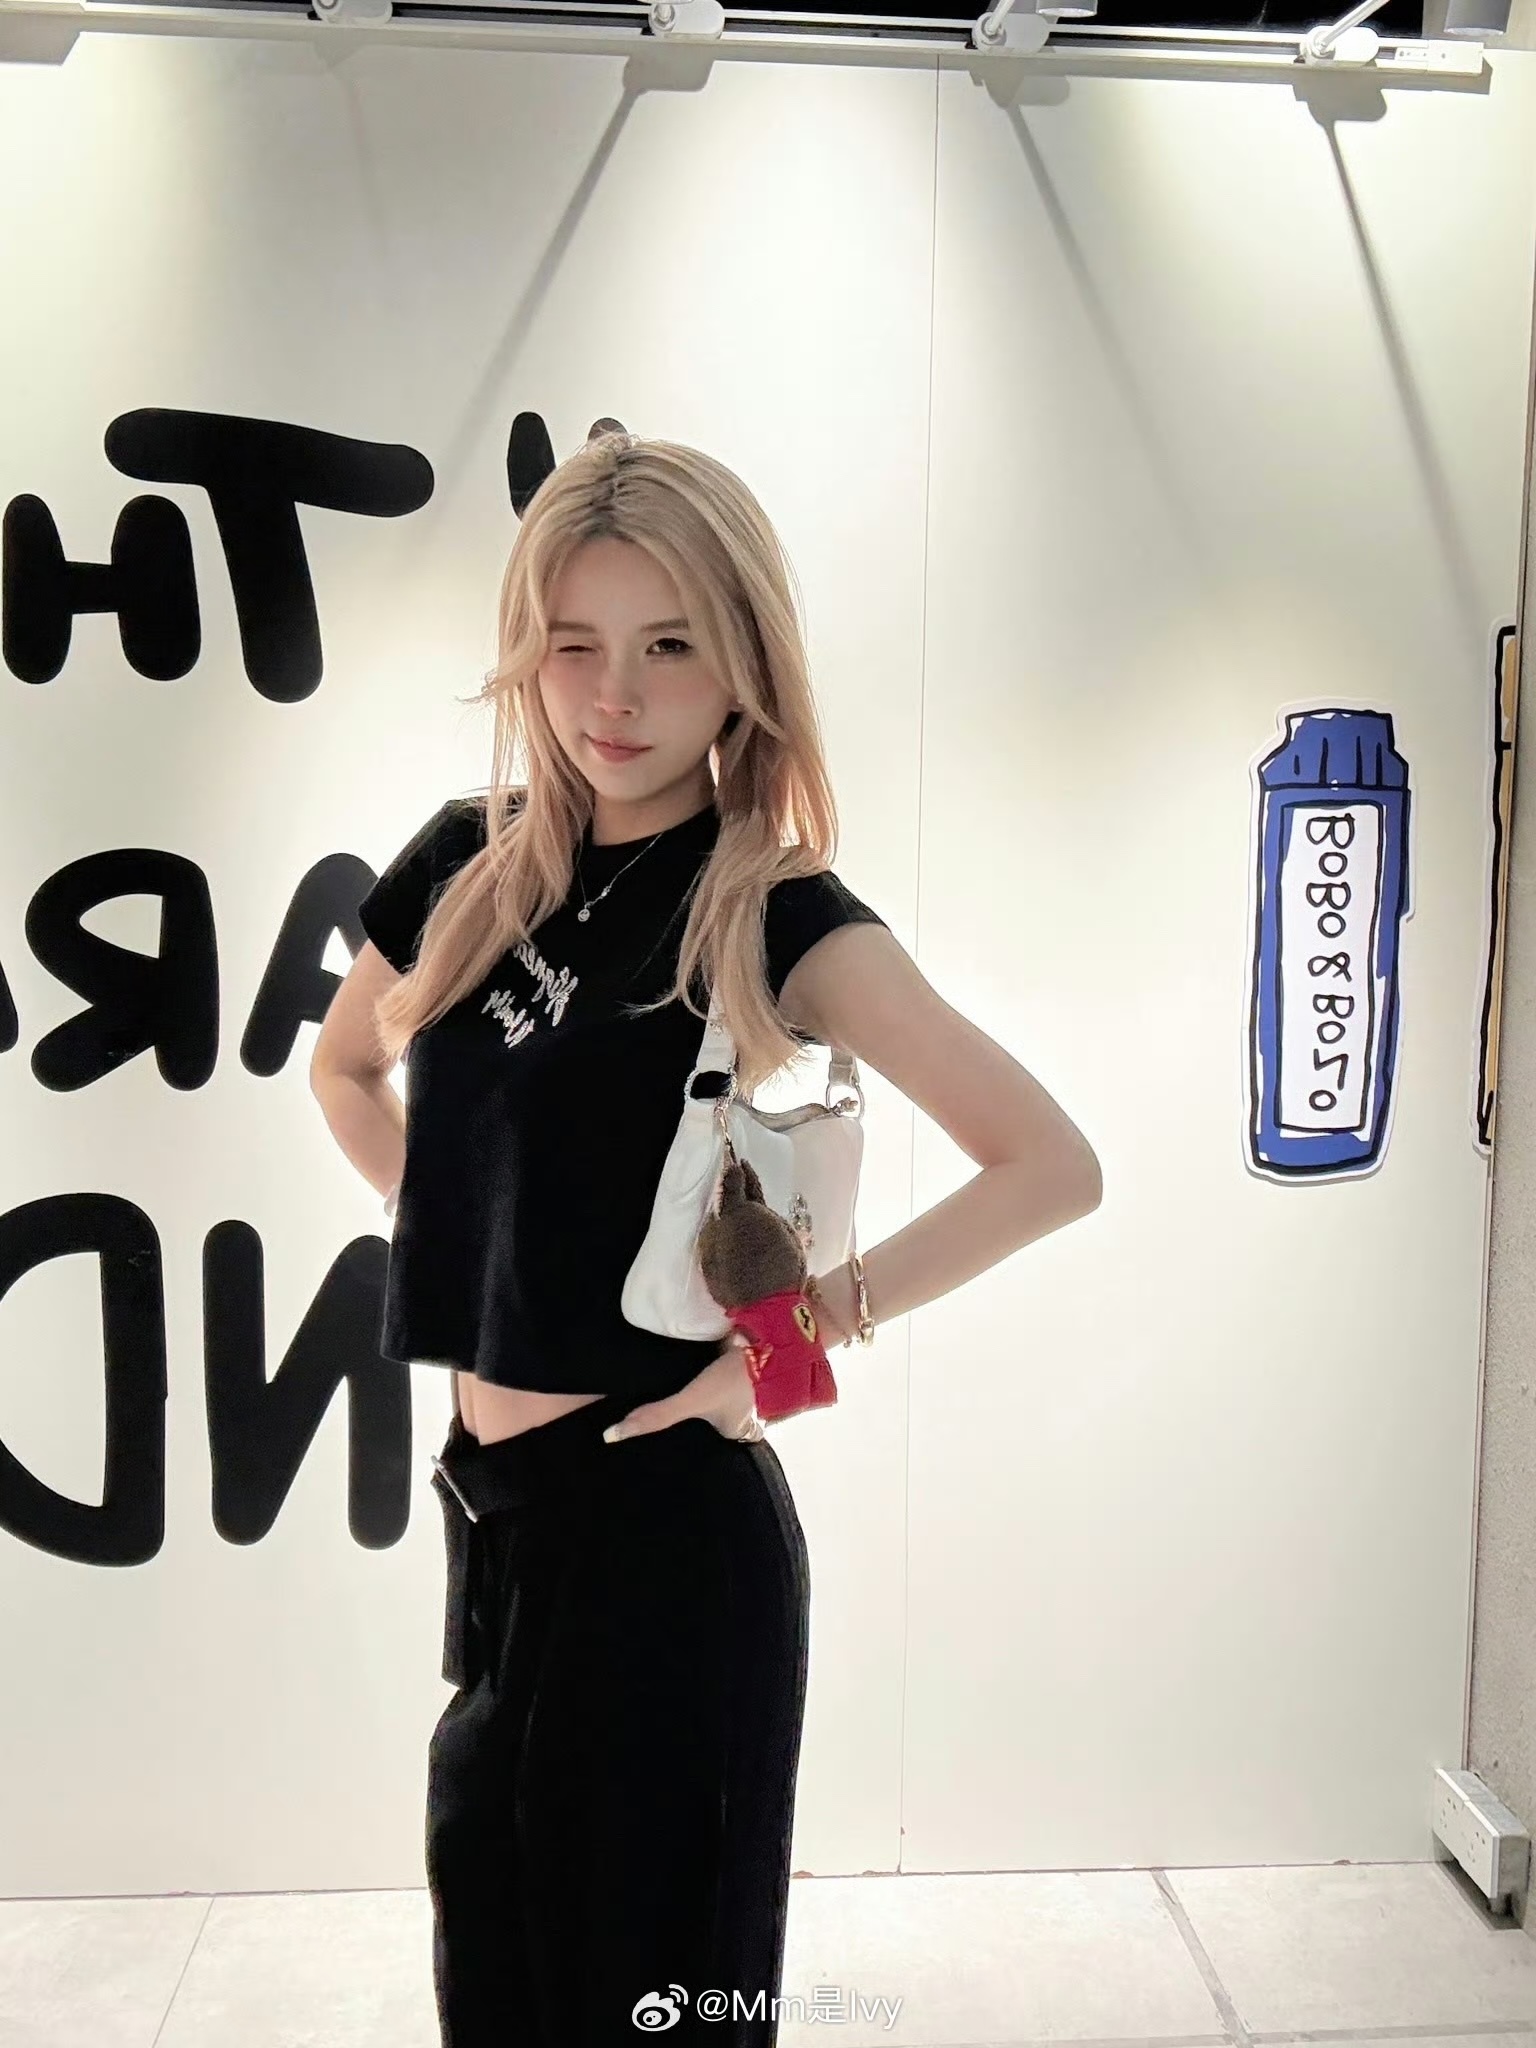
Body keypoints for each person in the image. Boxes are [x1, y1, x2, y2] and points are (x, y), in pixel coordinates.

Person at [309, 430, 1103, 2047]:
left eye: (668, 645)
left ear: (743, 662)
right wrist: (474, 1233)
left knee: (656, 2007)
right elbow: (345, 1068)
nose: (614, 696)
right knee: (500, 1984)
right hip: (499, 1523)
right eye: (573, 644)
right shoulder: (465, 863)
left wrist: (787, 1353)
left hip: (665, 1534)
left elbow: (1048, 1165)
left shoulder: (771, 908)